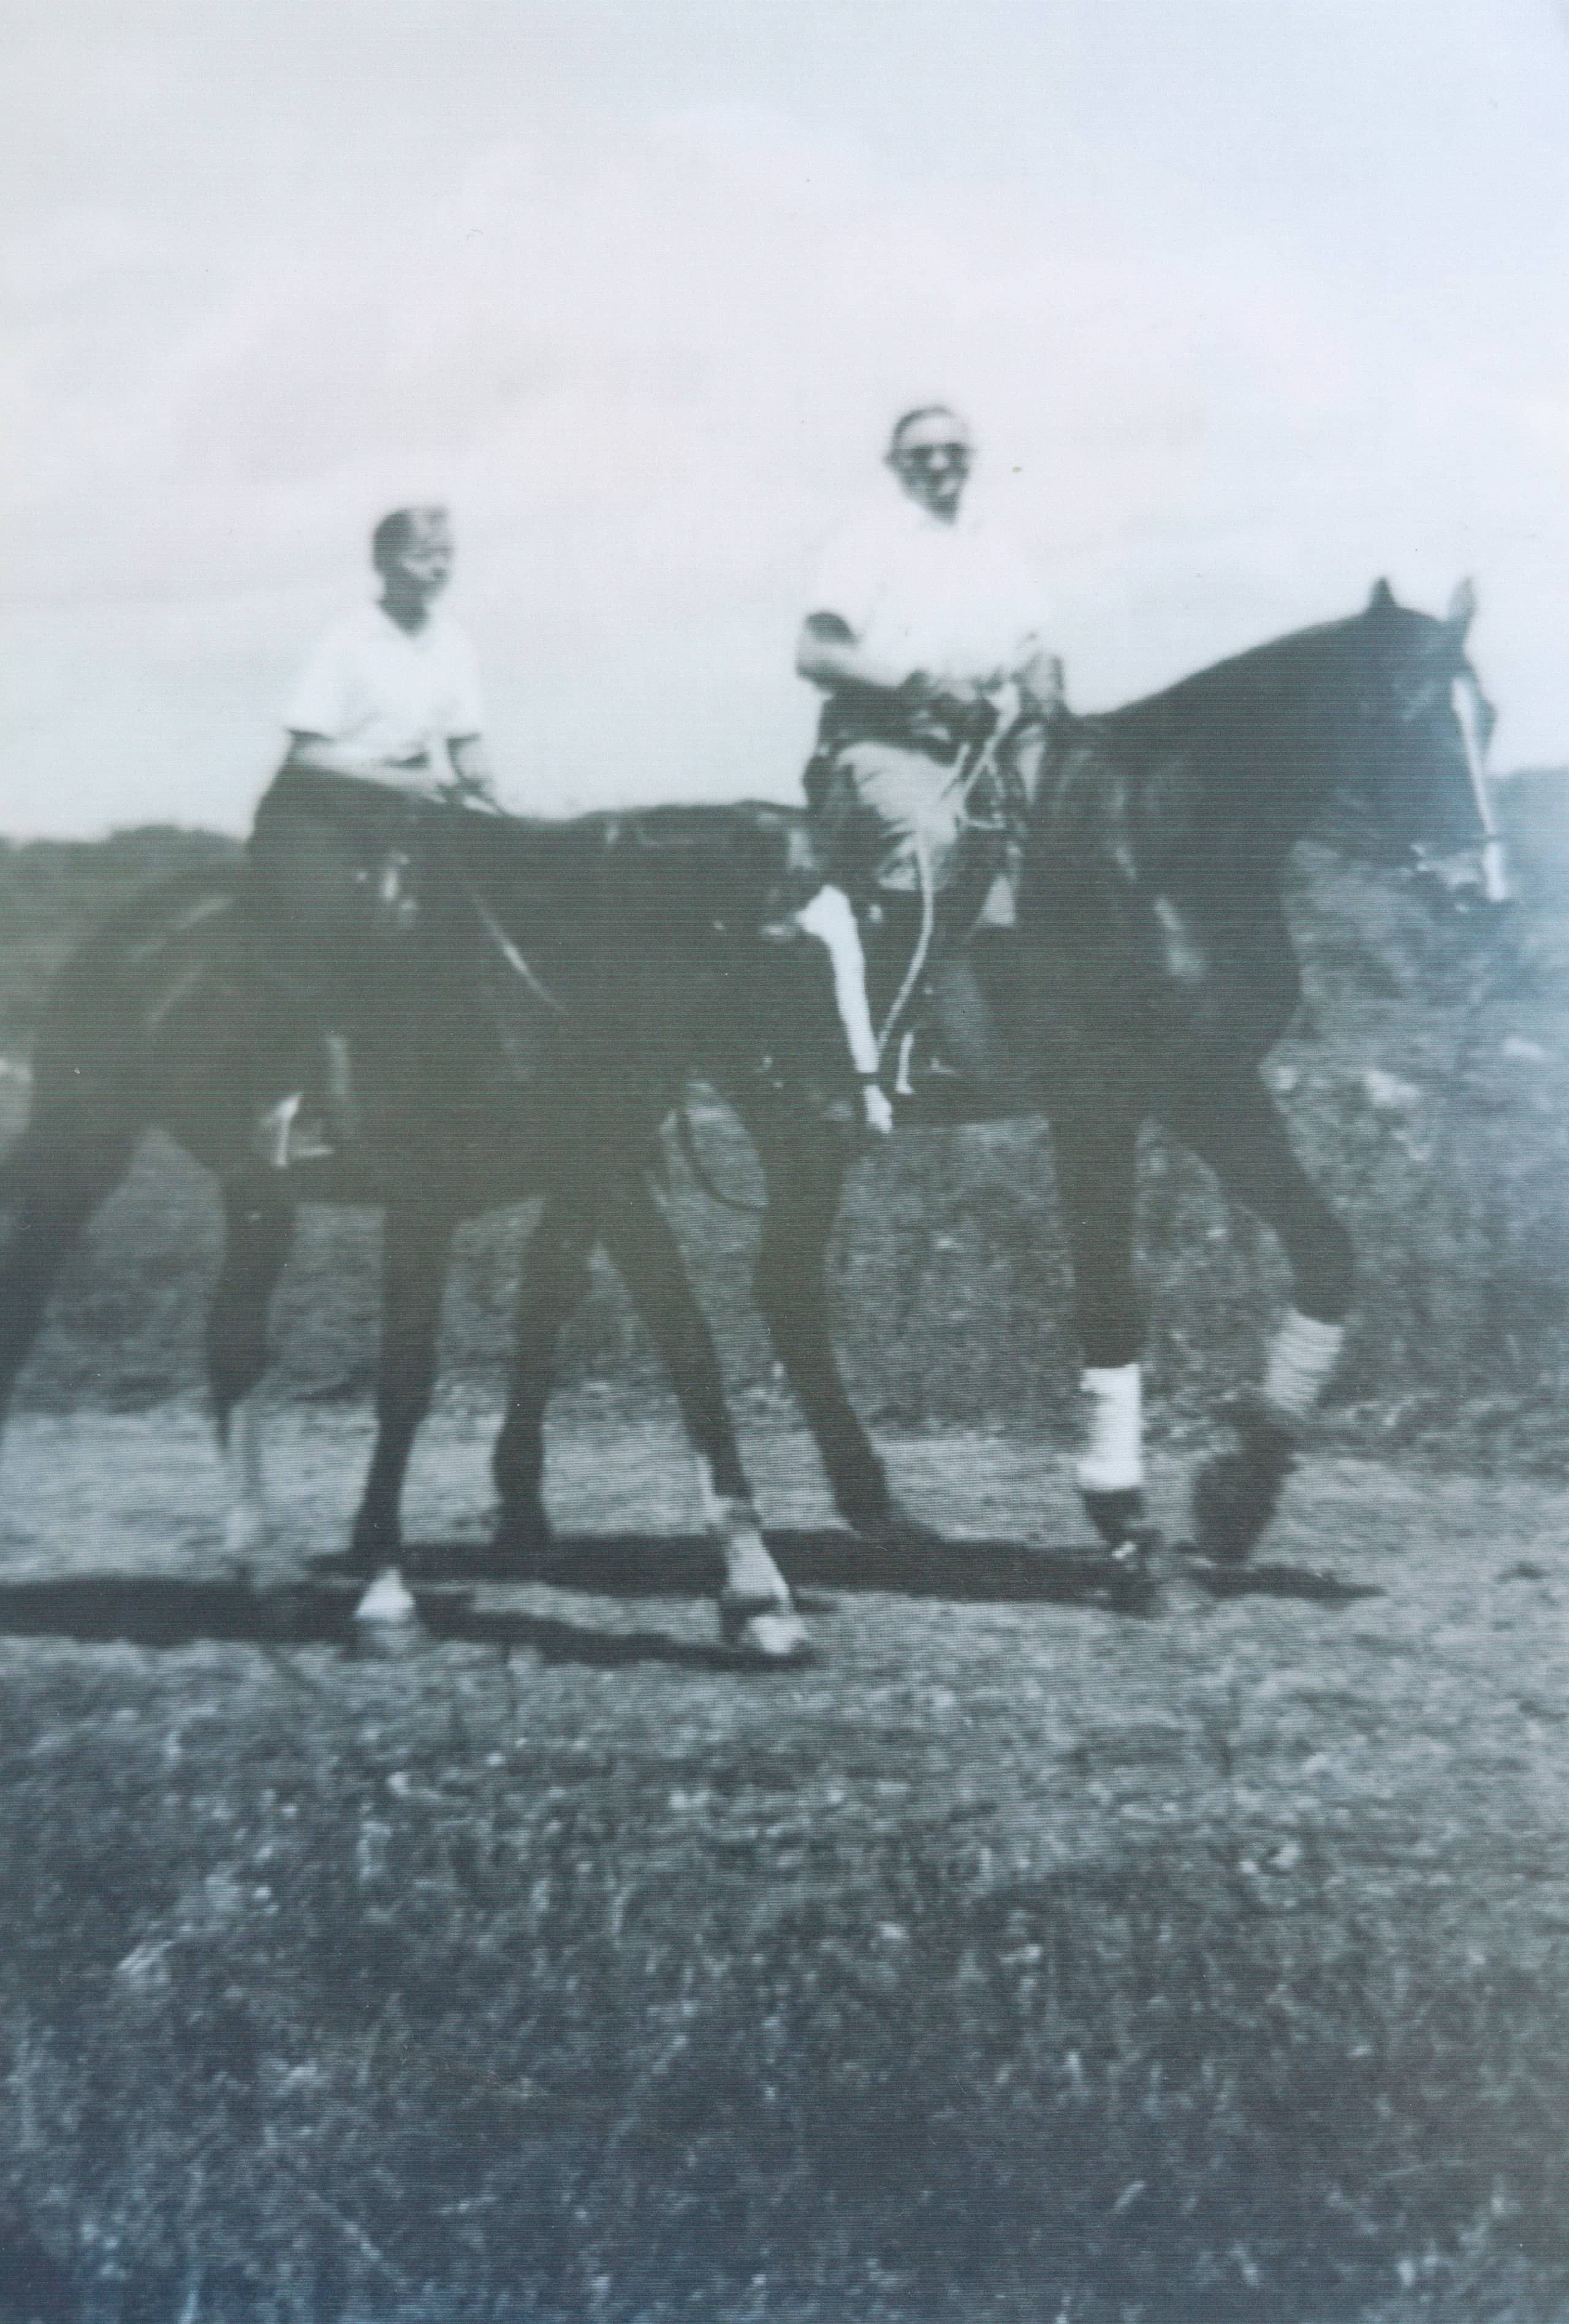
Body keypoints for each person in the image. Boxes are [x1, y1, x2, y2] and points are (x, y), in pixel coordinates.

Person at [794, 406, 1060, 1113]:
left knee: (1068, 839)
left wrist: (1044, 685)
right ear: (896, 466)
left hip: (987, 744)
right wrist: (922, 685)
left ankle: (1028, 1033)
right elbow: (816, 650)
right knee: (933, 838)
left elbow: (1032, 643)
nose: (938, 465)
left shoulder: (995, 546)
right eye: (920, 456)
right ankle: (897, 1036)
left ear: (970, 457)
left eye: (951, 451)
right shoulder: (865, 542)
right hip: (886, 739)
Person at [245, 505, 495, 1163]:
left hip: (405, 813)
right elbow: (307, 752)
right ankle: (296, 1107)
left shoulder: (454, 642)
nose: (437, 568)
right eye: (422, 555)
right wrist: (407, 782)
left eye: (446, 554)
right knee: (329, 929)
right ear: (385, 563)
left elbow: (467, 744)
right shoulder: (349, 640)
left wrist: (493, 791)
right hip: (315, 816)